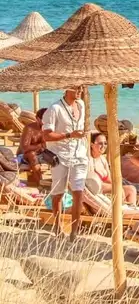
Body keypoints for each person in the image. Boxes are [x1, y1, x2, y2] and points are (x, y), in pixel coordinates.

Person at [41, 86, 88, 240]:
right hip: (60, 155)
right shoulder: (54, 109)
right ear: (67, 89)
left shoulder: (81, 104)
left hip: (79, 155)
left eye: (81, 87)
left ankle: (74, 232)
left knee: (78, 193)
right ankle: (57, 226)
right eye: (76, 87)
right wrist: (69, 135)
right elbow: (46, 136)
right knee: (58, 194)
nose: (80, 90)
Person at [88, 132, 137, 205]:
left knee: (131, 189)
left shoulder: (102, 159)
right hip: (95, 189)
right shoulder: (88, 160)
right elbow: (91, 182)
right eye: (100, 143)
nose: (103, 146)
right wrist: (117, 188)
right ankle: (122, 208)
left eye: (105, 143)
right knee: (118, 188)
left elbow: (110, 180)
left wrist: (118, 185)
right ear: (92, 145)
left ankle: (131, 210)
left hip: (106, 188)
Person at [16, 108, 49, 183]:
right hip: (24, 155)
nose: (47, 122)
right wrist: (41, 146)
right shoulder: (29, 128)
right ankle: (40, 182)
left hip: (42, 154)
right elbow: (25, 148)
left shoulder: (50, 128)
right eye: (45, 119)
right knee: (32, 155)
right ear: (38, 119)